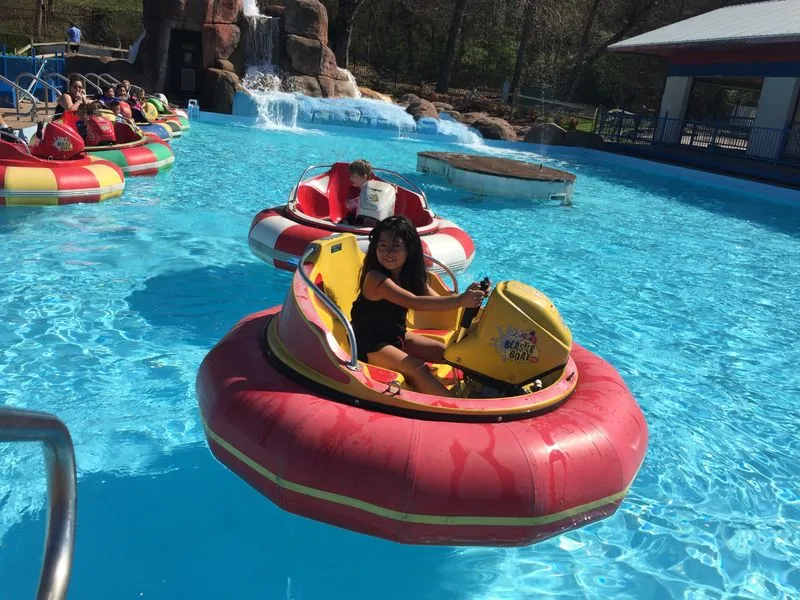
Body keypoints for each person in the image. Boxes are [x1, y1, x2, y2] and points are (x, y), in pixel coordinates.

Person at [350, 216, 489, 396]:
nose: (387, 252)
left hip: (396, 335)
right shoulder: (375, 278)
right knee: (418, 368)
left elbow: (440, 302)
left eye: (396, 246)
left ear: (410, 249)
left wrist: (472, 295)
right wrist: (461, 300)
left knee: (450, 354)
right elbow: (414, 302)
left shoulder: (410, 275)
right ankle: (459, 408)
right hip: (370, 343)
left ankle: (488, 389)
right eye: (382, 245)